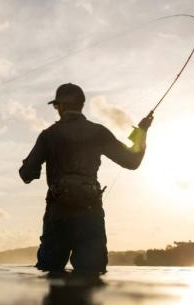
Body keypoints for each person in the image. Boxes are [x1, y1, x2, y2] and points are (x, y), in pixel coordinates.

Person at [19, 83, 152, 275]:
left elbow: (26, 175)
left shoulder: (49, 135)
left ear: (61, 106)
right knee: (92, 277)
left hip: (58, 215)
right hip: (90, 214)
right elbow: (132, 162)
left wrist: (31, 165)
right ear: (81, 104)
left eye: (57, 106)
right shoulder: (98, 132)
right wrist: (141, 133)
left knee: (49, 274)